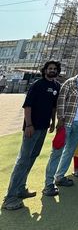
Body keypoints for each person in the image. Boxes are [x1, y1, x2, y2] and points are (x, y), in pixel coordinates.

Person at [2, 61, 61, 211]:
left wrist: (53, 123)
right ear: (45, 70)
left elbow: (54, 107)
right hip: (32, 127)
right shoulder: (37, 84)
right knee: (23, 160)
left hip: (43, 127)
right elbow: (27, 105)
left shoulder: (56, 86)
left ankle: (21, 188)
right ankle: (10, 198)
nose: (52, 71)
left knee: (32, 157)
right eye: (50, 68)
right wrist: (28, 125)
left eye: (55, 69)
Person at [43, 61, 78, 196]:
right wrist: (60, 119)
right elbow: (61, 100)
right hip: (67, 121)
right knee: (57, 151)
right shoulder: (70, 82)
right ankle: (48, 184)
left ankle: (60, 176)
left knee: (70, 150)